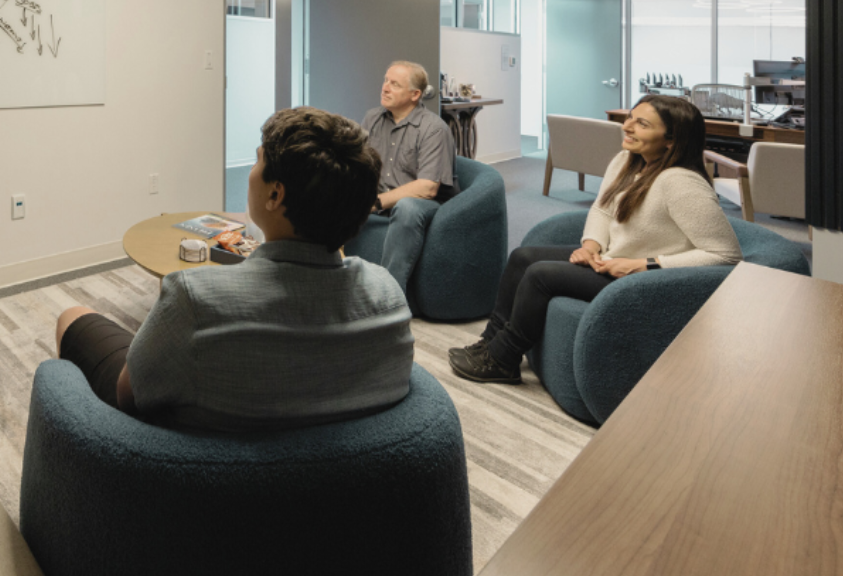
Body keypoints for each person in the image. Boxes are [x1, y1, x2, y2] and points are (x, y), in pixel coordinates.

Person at [54, 107, 415, 432]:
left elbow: (128, 396)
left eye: (257, 161)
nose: (251, 171)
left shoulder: (192, 298)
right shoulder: (389, 295)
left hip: (195, 466)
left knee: (72, 316)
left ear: (275, 195)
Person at [448, 95, 742, 385]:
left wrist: (643, 265)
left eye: (642, 124)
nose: (627, 127)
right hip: (613, 260)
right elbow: (603, 209)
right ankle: (490, 343)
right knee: (522, 257)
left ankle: (503, 360)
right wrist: (590, 246)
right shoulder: (627, 160)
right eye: (630, 118)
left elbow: (727, 255)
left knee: (540, 275)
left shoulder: (681, 183)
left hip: (649, 280)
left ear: (671, 139)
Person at [358, 61, 458, 294]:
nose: (385, 88)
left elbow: (427, 188)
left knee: (407, 207)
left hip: (427, 204)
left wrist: (375, 203)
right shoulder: (372, 118)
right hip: (382, 196)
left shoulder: (433, 128)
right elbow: (359, 165)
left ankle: (389, 295)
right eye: (386, 80)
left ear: (415, 95)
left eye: (395, 84)